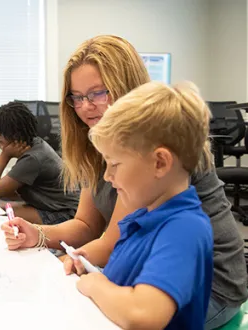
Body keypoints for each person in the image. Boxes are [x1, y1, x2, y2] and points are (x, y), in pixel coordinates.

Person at [0, 35, 247, 329]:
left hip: (207, 286)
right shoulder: (109, 149)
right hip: (151, 271)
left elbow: (113, 249)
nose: (85, 107)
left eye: (97, 94)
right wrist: (38, 235)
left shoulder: (154, 158)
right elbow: (87, 226)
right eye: (77, 97)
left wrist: (90, 278)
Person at [74, 81, 214, 329]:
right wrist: (90, 267)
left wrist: (97, 285)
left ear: (160, 163)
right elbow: (126, 282)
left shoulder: (185, 229)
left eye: (114, 164)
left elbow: (144, 313)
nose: (107, 176)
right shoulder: (143, 217)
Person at [0, 102, 78, 224]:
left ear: (15, 138)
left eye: (0, 141)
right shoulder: (35, 144)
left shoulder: (33, 158)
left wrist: (5, 155)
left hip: (64, 213)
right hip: (52, 207)